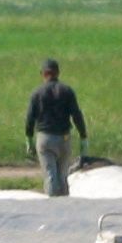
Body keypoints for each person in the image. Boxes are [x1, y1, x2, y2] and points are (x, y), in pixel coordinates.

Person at [25, 58, 88, 197]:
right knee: (63, 176)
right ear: (58, 73)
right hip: (64, 138)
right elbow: (76, 115)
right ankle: (64, 203)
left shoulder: (37, 93)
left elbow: (30, 118)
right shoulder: (67, 91)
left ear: (42, 74)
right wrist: (83, 136)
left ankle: (52, 205)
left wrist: (29, 138)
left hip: (45, 139)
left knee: (50, 175)